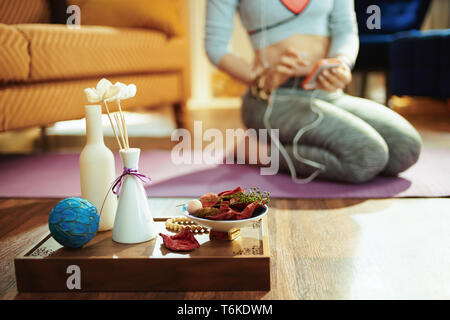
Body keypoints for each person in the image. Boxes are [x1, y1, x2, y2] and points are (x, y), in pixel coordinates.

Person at [205, 0, 422, 184]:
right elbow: (215, 46)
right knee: (367, 157)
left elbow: (345, 29)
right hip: (273, 99)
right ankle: (256, 152)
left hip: (326, 94)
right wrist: (260, 78)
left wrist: (342, 64)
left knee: (406, 147)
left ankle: (288, 142)